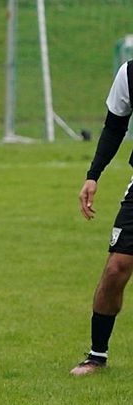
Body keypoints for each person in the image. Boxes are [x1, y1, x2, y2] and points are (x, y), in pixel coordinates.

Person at [73, 59, 133, 376]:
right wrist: (93, 175)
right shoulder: (129, 73)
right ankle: (97, 355)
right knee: (116, 268)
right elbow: (114, 127)